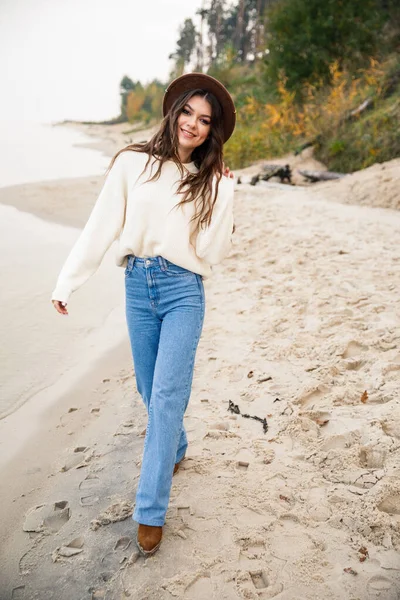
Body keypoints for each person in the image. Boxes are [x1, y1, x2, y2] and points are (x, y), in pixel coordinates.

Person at [52, 72, 236, 556]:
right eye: (188, 113)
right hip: (137, 286)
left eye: (205, 121)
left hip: (183, 292)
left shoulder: (208, 181)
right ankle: (175, 447)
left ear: (211, 131)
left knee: (168, 395)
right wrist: (68, 280)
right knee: (146, 388)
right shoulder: (132, 164)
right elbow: (101, 226)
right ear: (173, 111)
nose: (194, 125)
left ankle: (150, 511)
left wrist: (226, 193)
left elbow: (214, 252)